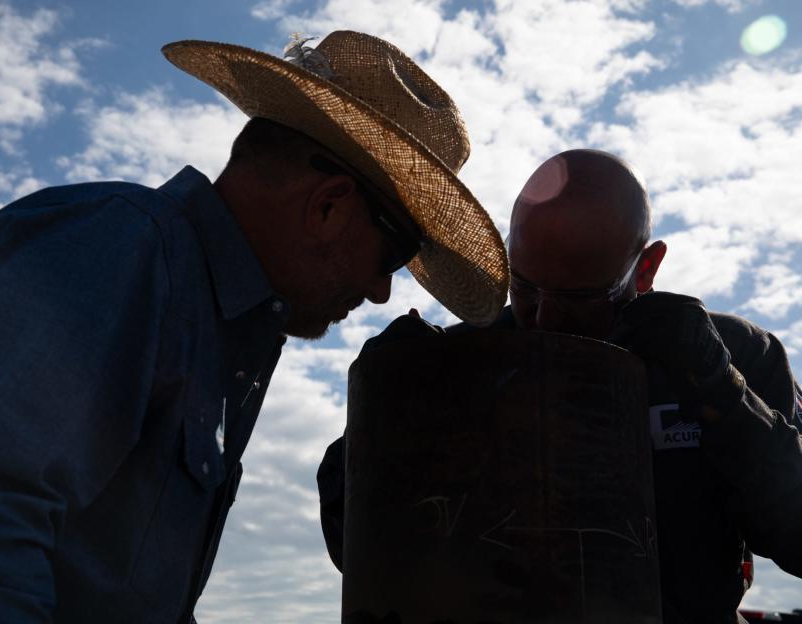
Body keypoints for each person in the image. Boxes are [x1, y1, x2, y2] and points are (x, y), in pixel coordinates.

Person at [0, 32, 508, 623]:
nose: (380, 289)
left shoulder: (224, 340)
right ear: (329, 208)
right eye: (391, 256)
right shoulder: (113, 250)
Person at [318, 149, 802, 624]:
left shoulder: (733, 355)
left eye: (580, 297)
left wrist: (725, 396)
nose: (545, 318)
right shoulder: (455, 364)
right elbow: (354, 550)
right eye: (524, 286)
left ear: (647, 268)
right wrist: (377, 425)